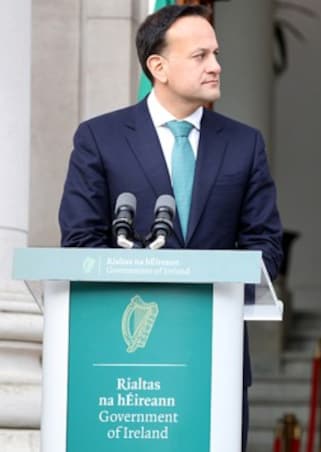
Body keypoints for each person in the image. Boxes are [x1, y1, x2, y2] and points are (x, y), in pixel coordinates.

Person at [58, 5, 282, 449]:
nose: (216, 66)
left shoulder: (244, 144)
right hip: (123, 365)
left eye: (216, 54)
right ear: (157, 67)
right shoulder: (99, 138)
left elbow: (266, 248)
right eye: (200, 56)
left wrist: (199, 281)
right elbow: (80, 242)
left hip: (214, 359)